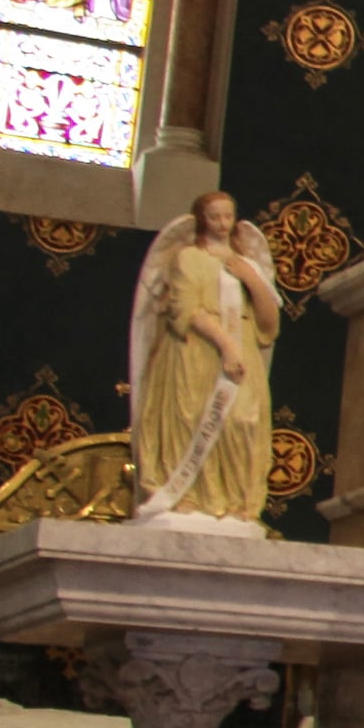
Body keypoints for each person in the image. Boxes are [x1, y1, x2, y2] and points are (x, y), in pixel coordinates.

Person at [126, 191, 279, 527]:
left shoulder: (246, 263)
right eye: (214, 217)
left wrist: (252, 279)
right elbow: (184, 310)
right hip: (195, 351)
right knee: (189, 415)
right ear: (201, 220)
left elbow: (269, 325)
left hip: (244, 350)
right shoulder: (187, 258)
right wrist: (225, 345)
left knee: (243, 421)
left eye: (228, 217)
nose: (222, 224)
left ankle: (237, 502)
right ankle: (187, 497)